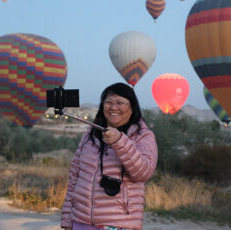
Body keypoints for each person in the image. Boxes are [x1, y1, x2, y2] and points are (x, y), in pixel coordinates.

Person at [60, 82, 158, 230]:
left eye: (120, 102)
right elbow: (74, 177)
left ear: (132, 107)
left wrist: (120, 141)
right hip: (81, 221)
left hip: (118, 223)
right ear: (102, 106)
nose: (113, 107)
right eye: (109, 102)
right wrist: (67, 218)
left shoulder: (143, 137)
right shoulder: (90, 135)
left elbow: (144, 173)